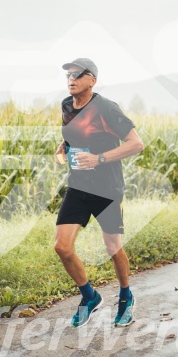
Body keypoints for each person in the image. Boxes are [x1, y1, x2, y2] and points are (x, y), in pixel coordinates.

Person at [54, 58, 144, 327]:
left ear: (92, 80)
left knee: (112, 247)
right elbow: (75, 132)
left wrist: (99, 159)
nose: (71, 78)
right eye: (68, 74)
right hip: (79, 186)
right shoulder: (67, 105)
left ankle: (126, 297)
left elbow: (136, 144)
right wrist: (65, 145)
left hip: (107, 189)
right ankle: (89, 296)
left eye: (78, 74)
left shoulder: (106, 108)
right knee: (62, 247)